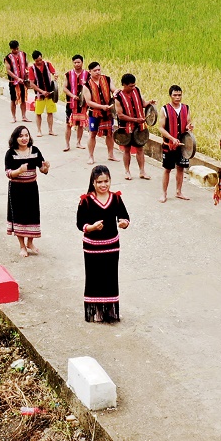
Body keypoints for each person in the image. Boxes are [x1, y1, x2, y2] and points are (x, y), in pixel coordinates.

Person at [76, 165, 130, 323]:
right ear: (93, 182)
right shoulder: (85, 201)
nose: (103, 185)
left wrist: (124, 223)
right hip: (92, 246)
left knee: (110, 277)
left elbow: (125, 216)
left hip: (112, 245)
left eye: (106, 181)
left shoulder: (116, 198)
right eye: (99, 182)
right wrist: (91, 228)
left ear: (110, 181)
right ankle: (97, 310)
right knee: (94, 278)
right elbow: (80, 224)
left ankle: (110, 310)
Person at [5, 125, 49, 257]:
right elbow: (8, 173)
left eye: (26, 135)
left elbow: (42, 169)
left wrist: (46, 167)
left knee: (32, 215)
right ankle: (22, 246)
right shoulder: (11, 153)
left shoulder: (34, 150)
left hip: (31, 188)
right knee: (19, 216)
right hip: (16, 190)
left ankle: (30, 242)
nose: (24, 138)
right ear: (15, 138)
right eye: (21, 136)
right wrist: (19, 171)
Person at [113, 73, 154, 181]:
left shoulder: (137, 91)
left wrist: (149, 103)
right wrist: (135, 120)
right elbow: (120, 115)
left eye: (134, 85)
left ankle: (142, 171)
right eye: (131, 86)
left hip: (139, 126)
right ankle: (127, 171)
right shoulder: (118, 97)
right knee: (127, 149)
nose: (133, 87)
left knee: (140, 148)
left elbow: (143, 104)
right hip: (126, 127)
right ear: (124, 85)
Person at [157, 85, 193, 203]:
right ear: (170, 96)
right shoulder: (165, 109)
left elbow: (188, 124)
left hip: (182, 146)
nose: (177, 97)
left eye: (179, 95)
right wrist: (172, 138)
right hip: (169, 145)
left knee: (181, 168)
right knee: (167, 169)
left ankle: (179, 191)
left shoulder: (186, 108)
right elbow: (161, 128)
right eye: (175, 95)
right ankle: (163, 193)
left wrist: (189, 127)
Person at [83, 62, 117, 164]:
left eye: (99, 70)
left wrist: (116, 93)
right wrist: (102, 107)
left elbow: (114, 90)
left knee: (110, 133)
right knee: (92, 134)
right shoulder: (86, 85)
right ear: (90, 72)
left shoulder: (107, 79)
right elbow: (89, 102)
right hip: (95, 113)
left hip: (108, 112)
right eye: (95, 70)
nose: (98, 72)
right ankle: (90, 156)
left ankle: (111, 154)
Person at [26, 51, 58, 137]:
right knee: (38, 113)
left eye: (40, 60)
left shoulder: (47, 64)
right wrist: (42, 91)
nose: (39, 62)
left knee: (50, 112)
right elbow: (32, 84)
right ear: (34, 60)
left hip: (49, 92)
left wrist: (55, 75)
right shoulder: (31, 68)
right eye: (37, 61)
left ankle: (50, 130)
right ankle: (39, 130)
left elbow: (54, 72)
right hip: (39, 95)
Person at [63, 55, 89, 152]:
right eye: (75, 62)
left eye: (78, 62)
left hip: (83, 104)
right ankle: (67, 144)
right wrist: (72, 95)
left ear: (82, 63)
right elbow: (64, 88)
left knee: (81, 124)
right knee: (68, 124)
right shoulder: (68, 74)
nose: (77, 64)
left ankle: (78, 142)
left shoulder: (87, 74)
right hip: (71, 103)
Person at [3, 40, 30, 124]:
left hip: (23, 81)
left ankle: (24, 116)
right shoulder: (8, 58)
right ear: (11, 49)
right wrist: (17, 78)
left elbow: (26, 64)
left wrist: (28, 73)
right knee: (13, 99)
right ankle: (13, 117)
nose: (16, 50)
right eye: (14, 49)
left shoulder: (23, 54)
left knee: (23, 99)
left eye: (17, 48)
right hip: (13, 82)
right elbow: (8, 70)